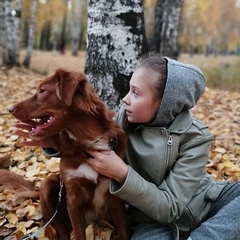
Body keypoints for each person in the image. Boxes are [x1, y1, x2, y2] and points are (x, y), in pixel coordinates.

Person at [15, 55, 240, 240]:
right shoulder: (125, 118)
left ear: (165, 104)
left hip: (207, 203)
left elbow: (171, 207)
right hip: (151, 222)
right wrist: (53, 144)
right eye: (129, 89)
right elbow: (88, 134)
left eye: (136, 93)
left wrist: (122, 173)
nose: (125, 99)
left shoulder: (196, 136)